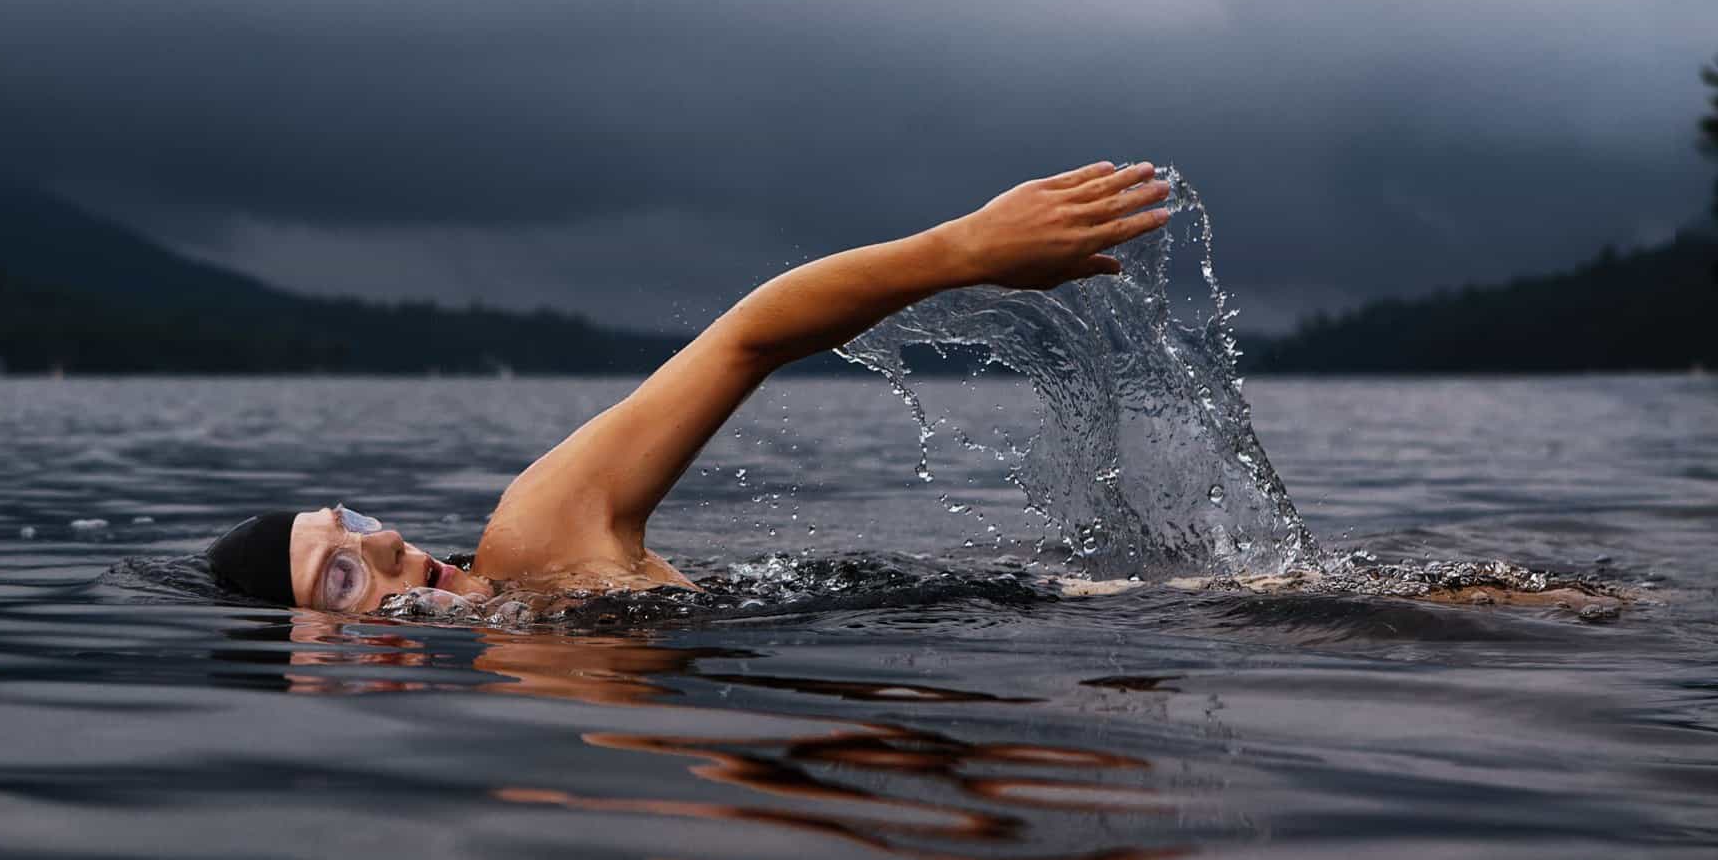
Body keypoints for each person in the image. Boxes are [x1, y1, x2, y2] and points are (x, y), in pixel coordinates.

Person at [206, 160, 1176, 613]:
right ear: (315, 665)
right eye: (340, 574)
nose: (382, 540)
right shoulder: (526, 717)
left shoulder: (536, 542)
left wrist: (961, 251)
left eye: (354, 521)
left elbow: (745, 339)